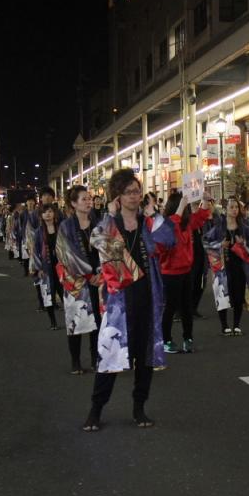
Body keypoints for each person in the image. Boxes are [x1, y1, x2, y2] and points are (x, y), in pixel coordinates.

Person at [83, 170, 175, 432]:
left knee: (144, 357)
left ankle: (139, 407)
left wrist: (154, 213)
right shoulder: (111, 224)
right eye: (128, 192)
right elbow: (97, 240)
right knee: (110, 353)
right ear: (118, 196)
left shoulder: (148, 223)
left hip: (147, 295)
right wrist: (109, 215)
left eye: (136, 191)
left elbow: (169, 239)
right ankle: (96, 409)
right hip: (119, 300)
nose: (134, 196)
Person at [158, 190, 213, 353]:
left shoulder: (186, 224)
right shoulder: (166, 224)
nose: (187, 211)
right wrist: (180, 208)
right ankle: (166, 340)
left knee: (187, 307)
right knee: (170, 307)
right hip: (170, 273)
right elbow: (168, 232)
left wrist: (205, 201)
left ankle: (188, 338)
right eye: (184, 207)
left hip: (186, 271)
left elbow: (201, 217)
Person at [56, 186, 103, 374]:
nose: (89, 201)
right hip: (76, 281)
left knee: (97, 320)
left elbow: (106, 248)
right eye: (84, 199)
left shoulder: (98, 223)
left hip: (98, 278)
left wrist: (101, 273)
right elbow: (66, 255)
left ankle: (95, 358)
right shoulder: (66, 226)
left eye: (89, 198)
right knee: (75, 320)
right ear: (74, 203)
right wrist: (89, 275)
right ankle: (75, 361)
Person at [204, 198, 249, 335]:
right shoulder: (219, 227)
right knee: (222, 295)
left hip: (239, 266)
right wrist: (219, 245)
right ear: (225, 209)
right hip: (222, 266)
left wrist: (244, 244)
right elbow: (205, 241)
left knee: (239, 295)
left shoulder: (243, 227)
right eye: (231, 207)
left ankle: (237, 325)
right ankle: (224, 325)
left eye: (236, 207)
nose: (234, 210)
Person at [32, 203, 64, 330]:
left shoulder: (61, 228)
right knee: (48, 294)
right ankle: (53, 322)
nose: (48, 214)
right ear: (41, 215)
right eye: (45, 212)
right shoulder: (39, 232)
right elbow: (35, 251)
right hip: (46, 267)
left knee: (65, 294)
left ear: (54, 213)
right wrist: (38, 268)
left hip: (61, 266)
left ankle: (71, 319)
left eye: (50, 211)